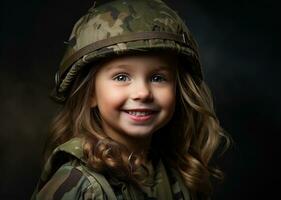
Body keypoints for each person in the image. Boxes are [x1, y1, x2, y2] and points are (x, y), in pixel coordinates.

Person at [31, 0, 230, 199]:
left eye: (157, 78)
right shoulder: (80, 184)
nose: (143, 93)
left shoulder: (175, 173)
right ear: (90, 94)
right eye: (121, 77)